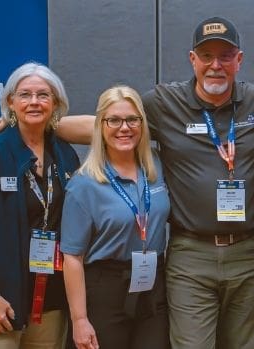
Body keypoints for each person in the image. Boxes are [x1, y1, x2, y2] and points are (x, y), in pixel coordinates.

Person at [0, 16, 254, 349]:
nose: (216, 65)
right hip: (191, 253)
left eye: (225, 56)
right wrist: (26, 123)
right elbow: (106, 122)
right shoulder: (163, 103)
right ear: (192, 58)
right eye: (207, 56)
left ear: (238, 60)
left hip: (251, 251)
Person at [0, 62, 79, 348]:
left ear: (56, 102)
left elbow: (105, 125)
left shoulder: (65, 155)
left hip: (49, 302)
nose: (34, 101)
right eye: (25, 95)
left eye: (43, 95)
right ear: (10, 102)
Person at [60, 86, 171, 349]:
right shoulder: (84, 184)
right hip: (105, 290)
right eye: (114, 120)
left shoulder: (155, 167)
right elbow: (72, 258)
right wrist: (79, 319)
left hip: (152, 287)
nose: (125, 128)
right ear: (100, 125)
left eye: (133, 119)